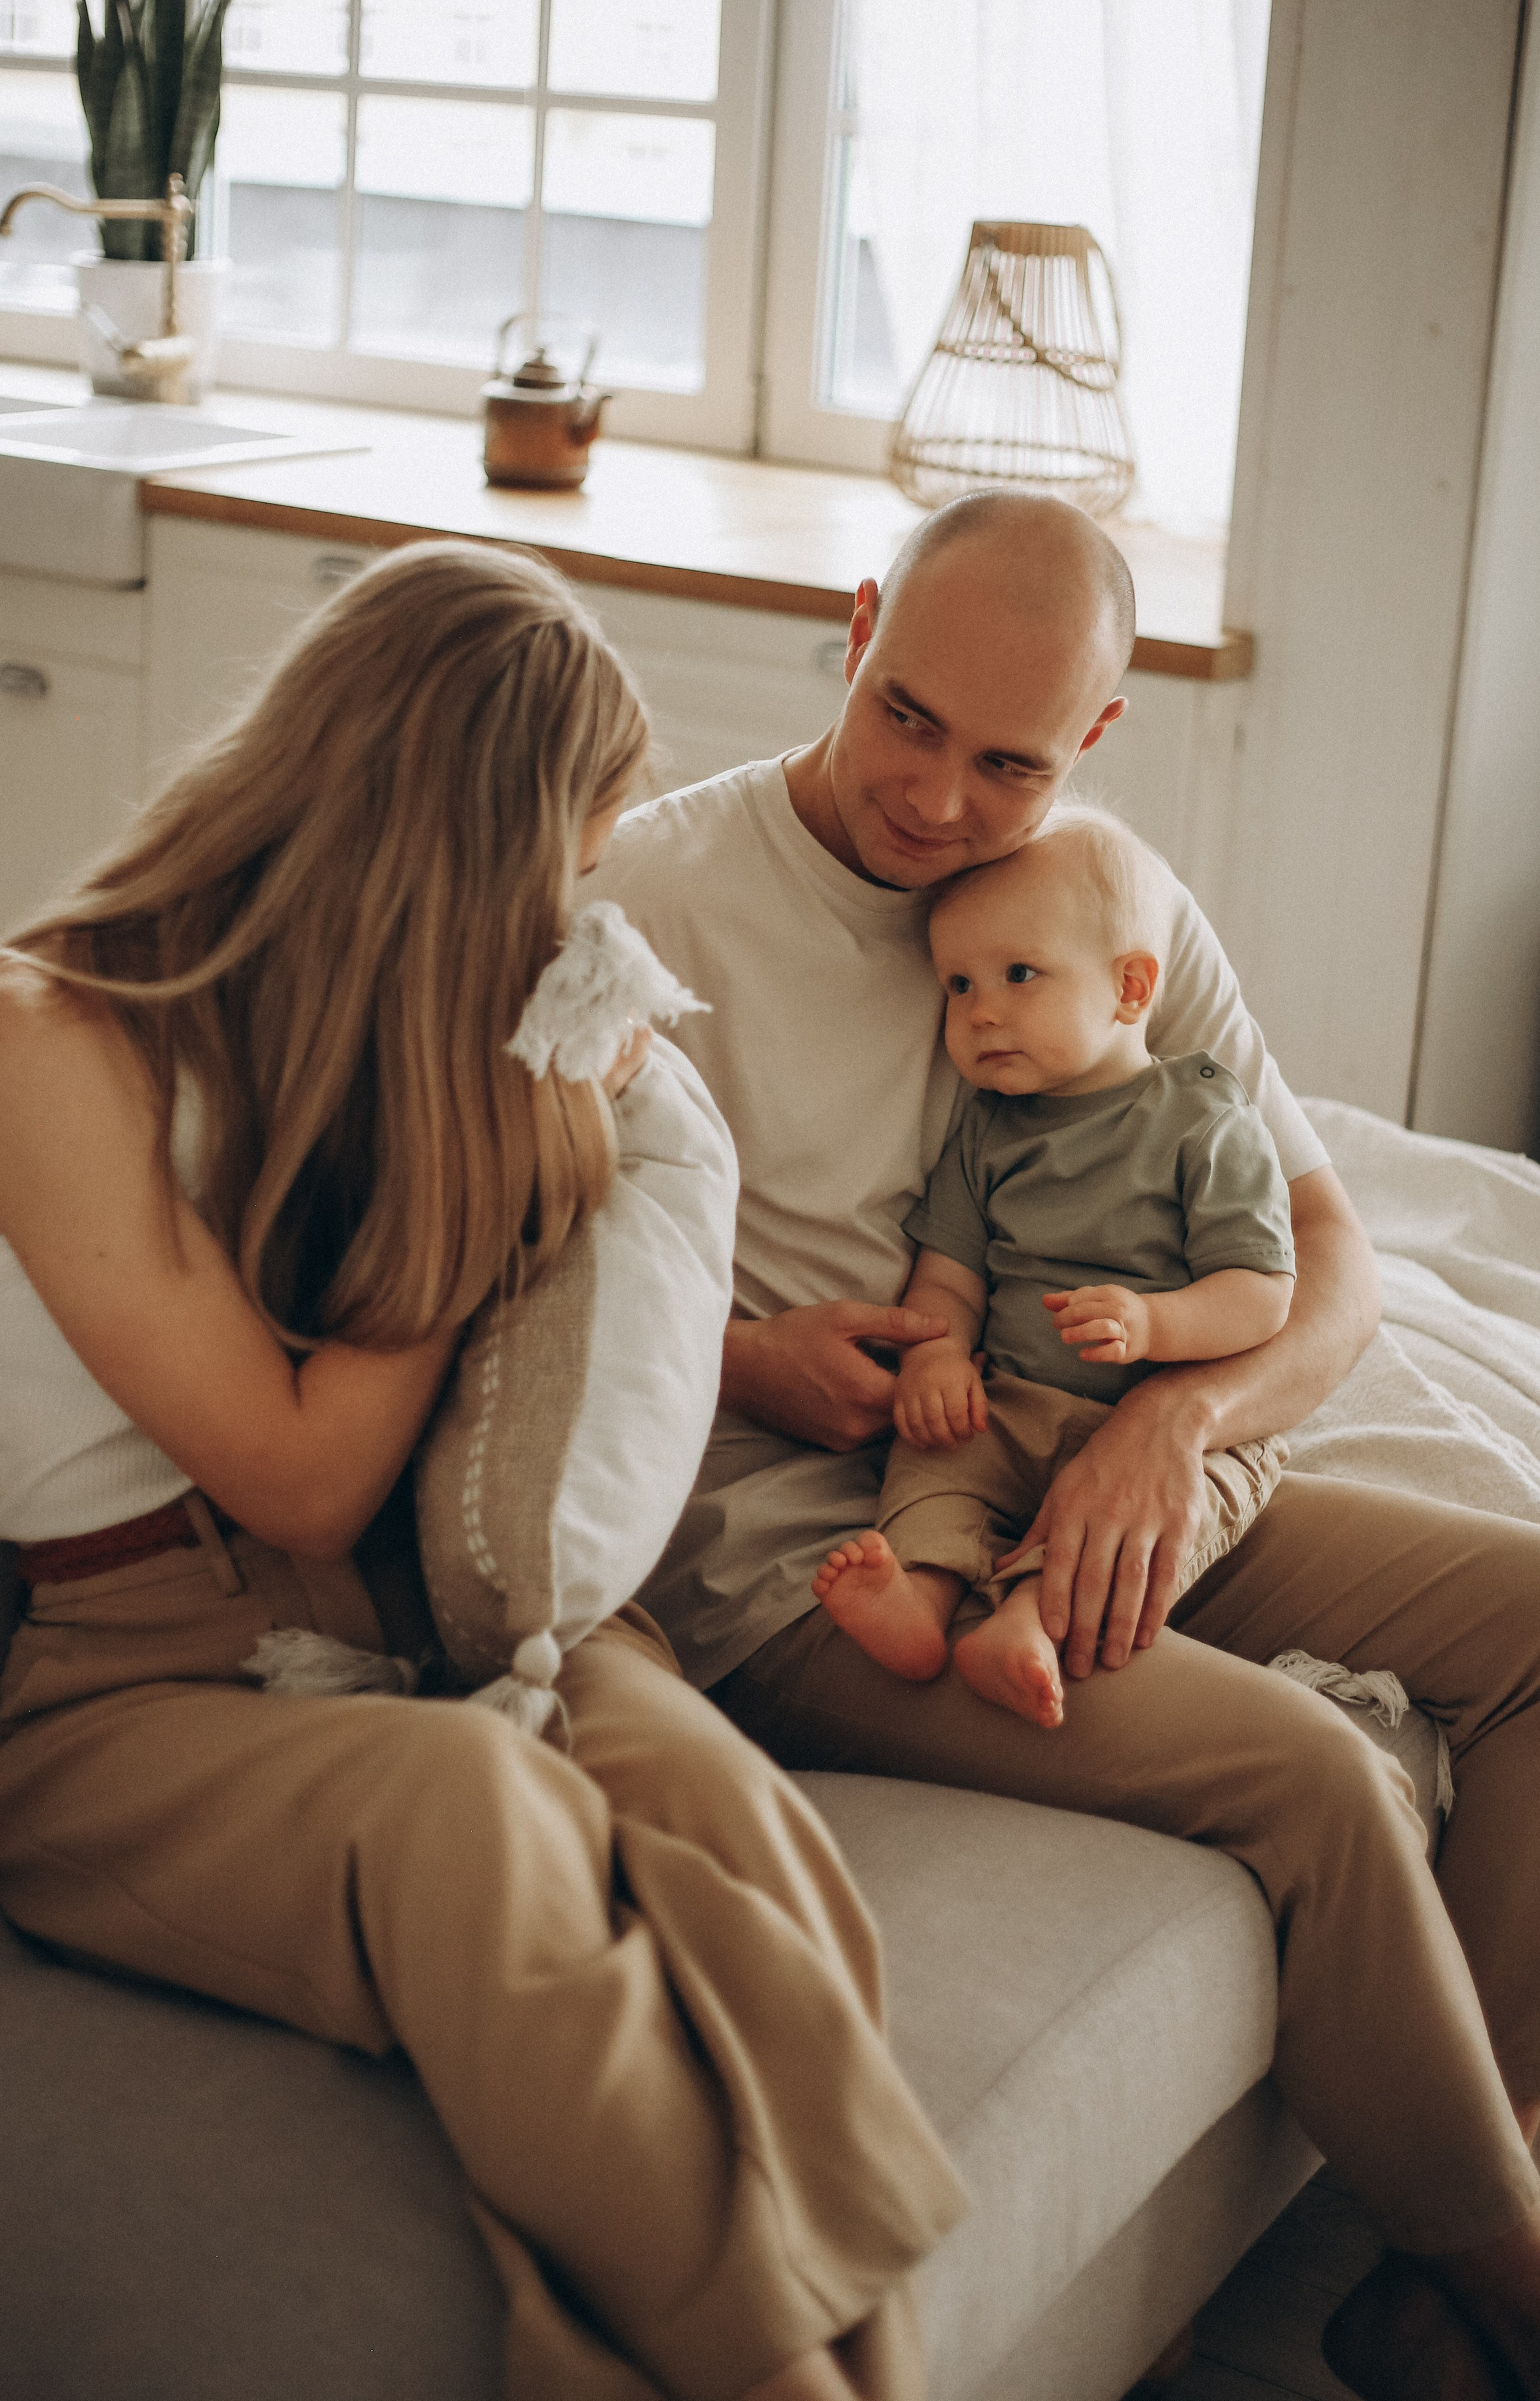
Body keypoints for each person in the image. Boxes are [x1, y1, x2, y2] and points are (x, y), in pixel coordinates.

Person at [595, 489, 1540, 2401]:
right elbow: (488, 1281)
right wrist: (748, 1359)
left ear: (1092, 739)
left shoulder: (1108, 906)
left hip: (1074, 1468)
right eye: (907, 716)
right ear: (858, 626)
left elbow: (1328, 1261)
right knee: (1317, 1783)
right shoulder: (653, 904)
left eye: (1008, 762)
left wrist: (1176, 1423)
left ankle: (1445, 2259)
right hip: (818, 1568)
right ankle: (1535, 2308)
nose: (939, 800)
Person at [0, 542, 966, 2401]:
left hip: (408, 1603)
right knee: (481, 1817)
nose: (580, 898)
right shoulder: (48, 1038)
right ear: (456, 842)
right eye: (569, 853)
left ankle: (884, 2377)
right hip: (130, 1685)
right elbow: (289, 1476)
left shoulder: (372, 1028)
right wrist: (504, 1131)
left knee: (716, 1803)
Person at [812, 806, 1294, 1729]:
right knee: (937, 1462)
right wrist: (937, 1361)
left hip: (1155, 1422)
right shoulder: (987, 1131)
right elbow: (949, 1279)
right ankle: (921, 1594)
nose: (980, 1010)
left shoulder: (1202, 1119)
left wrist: (1157, 1325)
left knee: (1175, 1513)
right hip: (1017, 1401)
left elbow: (1262, 1294)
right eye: (958, 985)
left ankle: (1028, 1623)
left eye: (1019, 975)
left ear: (1131, 987)